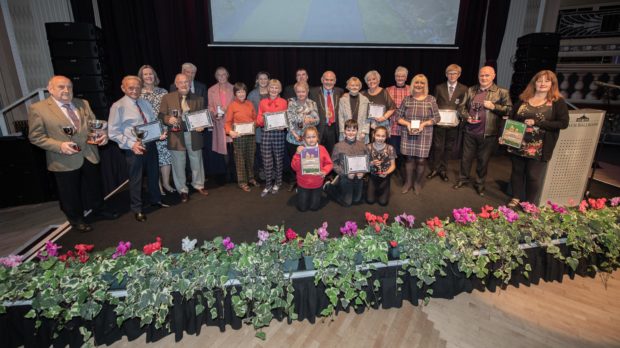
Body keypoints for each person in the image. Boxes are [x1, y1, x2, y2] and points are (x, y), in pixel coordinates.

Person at [28, 75, 117, 232]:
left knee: (95, 186)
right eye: (61, 87)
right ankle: (76, 219)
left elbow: (92, 125)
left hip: (89, 153)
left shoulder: (82, 103)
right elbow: (35, 137)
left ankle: (99, 210)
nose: (66, 90)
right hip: (63, 158)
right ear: (50, 89)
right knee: (70, 192)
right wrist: (60, 145)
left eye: (69, 87)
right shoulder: (38, 109)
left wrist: (102, 136)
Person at [503, 70, 569, 207]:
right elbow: (511, 118)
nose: (542, 83)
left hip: (539, 147)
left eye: (546, 81)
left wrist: (538, 123)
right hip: (517, 142)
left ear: (552, 84)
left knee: (533, 176)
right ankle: (515, 197)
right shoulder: (523, 99)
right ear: (534, 83)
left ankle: (529, 203)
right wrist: (504, 136)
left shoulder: (557, 102)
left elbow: (563, 123)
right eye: (539, 80)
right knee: (517, 171)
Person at [108, 76, 169, 222]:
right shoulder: (118, 106)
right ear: (123, 88)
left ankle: (156, 200)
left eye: (137, 87)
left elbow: (152, 122)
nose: (135, 90)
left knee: (154, 174)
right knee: (136, 179)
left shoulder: (145, 102)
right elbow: (113, 132)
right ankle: (137, 209)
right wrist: (131, 144)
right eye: (131, 88)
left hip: (150, 144)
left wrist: (159, 133)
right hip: (134, 147)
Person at [453, 66, 513, 197]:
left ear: (493, 76)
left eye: (487, 75)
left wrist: (494, 106)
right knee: (465, 158)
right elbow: (461, 107)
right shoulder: (471, 90)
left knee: (483, 160)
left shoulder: (501, 92)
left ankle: (479, 184)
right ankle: (463, 179)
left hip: (488, 133)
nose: (484, 78)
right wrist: (467, 117)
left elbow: (509, 110)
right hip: (469, 130)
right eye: (481, 75)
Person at [159, 73, 208, 203]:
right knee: (178, 164)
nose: (184, 84)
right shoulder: (167, 98)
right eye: (180, 82)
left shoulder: (198, 99)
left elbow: (203, 117)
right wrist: (168, 119)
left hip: (194, 135)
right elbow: (161, 115)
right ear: (176, 84)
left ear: (190, 83)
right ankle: (182, 190)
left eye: (186, 82)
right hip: (176, 136)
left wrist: (202, 125)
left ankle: (199, 184)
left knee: (196, 161)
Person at [396, 74, 441, 195]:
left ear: (425, 85)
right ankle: (408, 182)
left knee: (421, 160)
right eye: (416, 82)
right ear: (412, 84)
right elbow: (398, 117)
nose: (419, 85)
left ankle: (417, 183)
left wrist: (424, 124)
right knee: (409, 159)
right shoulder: (407, 99)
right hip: (408, 133)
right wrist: (408, 124)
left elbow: (437, 118)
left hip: (424, 134)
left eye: (422, 83)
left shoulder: (431, 99)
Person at [428, 64, 468, 182]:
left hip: (453, 123)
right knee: (438, 146)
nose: (452, 75)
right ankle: (435, 168)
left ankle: (443, 169)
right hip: (440, 123)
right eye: (450, 73)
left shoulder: (464, 89)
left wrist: (462, 117)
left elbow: (464, 106)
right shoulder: (439, 87)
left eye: (455, 73)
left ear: (459, 75)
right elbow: (433, 104)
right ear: (446, 74)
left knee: (448, 147)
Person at [138, 64, 175, 195]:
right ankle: (157, 185)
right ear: (141, 77)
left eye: (150, 74)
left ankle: (166, 183)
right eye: (145, 74)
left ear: (155, 75)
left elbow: (169, 110)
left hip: (163, 130)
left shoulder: (163, 91)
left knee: (166, 157)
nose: (149, 76)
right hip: (148, 131)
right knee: (153, 160)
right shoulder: (138, 93)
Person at [324, 119, 367, 207]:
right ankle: (329, 187)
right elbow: (334, 163)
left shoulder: (362, 145)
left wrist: (363, 172)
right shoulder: (338, 146)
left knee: (357, 199)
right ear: (344, 131)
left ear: (357, 131)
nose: (351, 133)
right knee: (347, 203)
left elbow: (367, 162)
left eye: (353, 130)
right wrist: (345, 173)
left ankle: (343, 188)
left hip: (358, 177)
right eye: (348, 130)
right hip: (345, 177)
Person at [286, 81, 319, 191]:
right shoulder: (291, 103)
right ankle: (293, 181)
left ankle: (305, 181)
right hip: (293, 138)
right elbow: (289, 120)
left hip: (308, 139)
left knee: (307, 161)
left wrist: (311, 121)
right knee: (294, 161)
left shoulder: (312, 103)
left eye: (303, 91)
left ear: (307, 91)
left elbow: (317, 120)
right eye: (298, 91)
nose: (301, 94)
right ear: (295, 92)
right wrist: (295, 134)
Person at [256, 79, 288, 197]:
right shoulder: (262, 102)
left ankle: (278, 183)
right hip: (266, 133)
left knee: (279, 159)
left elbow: (286, 119)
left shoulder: (284, 102)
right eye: (272, 87)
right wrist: (263, 119)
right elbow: (258, 119)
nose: (274, 90)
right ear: (268, 89)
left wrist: (283, 126)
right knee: (267, 160)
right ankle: (268, 184)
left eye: (276, 88)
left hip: (278, 134)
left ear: (279, 89)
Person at [225, 82, 258, 192]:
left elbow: (255, 119)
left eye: (243, 91)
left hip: (250, 135)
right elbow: (227, 122)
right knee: (240, 160)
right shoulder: (232, 105)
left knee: (250, 158)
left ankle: (251, 178)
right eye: (238, 92)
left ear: (246, 92)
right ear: (235, 93)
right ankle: (242, 182)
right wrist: (230, 131)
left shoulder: (250, 103)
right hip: (238, 137)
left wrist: (256, 124)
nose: (241, 93)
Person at [291, 127, 333, 212]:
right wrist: (298, 154)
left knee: (314, 208)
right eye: (308, 137)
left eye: (313, 137)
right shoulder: (301, 149)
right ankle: (299, 190)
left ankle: (320, 190)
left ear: (317, 138)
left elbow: (330, 164)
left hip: (317, 183)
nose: (311, 139)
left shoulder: (322, 149)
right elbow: (294, 167)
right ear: (304, 139)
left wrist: (324, 171)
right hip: (303, 183)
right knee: (302, 208)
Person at [206, 67, 235, 184]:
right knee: (224, 149)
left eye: (224, 74)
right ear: (216, 76)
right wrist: (214, 114)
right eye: (219, 75)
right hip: (219, 123)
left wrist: (229, 109)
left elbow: (238, 102)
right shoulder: (211, 90)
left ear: (227, 75)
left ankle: (235, 173)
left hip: (232, 122)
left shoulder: (234, 88)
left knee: (233, 148)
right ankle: (227, 172)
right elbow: (210, 106)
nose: (221, 77)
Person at [386, 66, 411, 182]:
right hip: (393, 126)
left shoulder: (411, 90)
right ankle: (393, 169)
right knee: (393, 149)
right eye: (398, 76)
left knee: (404, 151)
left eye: (402, 76)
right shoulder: (388, 90)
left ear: (406, 77)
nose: (400, 78)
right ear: (395, 77)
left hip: (407, 127)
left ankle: (401, 170)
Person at [309, 71, 344, 154]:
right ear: (322, 80)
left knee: (332, 152)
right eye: (326, 80)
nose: (329, 82)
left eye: (331, 80)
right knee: (316, 152)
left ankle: (330, 167)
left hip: (333, 128)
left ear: (335, 81)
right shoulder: (313, 92)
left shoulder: (340, 91)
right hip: (318, 127)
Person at [247, 71, 270, 181]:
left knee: (271, 151)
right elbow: (248, 112)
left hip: (272, 128)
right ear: (257, 80)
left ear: (268, 80)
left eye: (265, 78)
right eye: (261, 78)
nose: (263, 81)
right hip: (258, 128)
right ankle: (262, 172)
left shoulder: (273, 92)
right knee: (260, 151)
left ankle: (271, 172)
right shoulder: (252, 94)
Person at [366, 126, 396, 206]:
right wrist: (371, 163)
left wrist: (387, 172)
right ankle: (372, 188)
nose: (380, 138)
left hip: (385, 177)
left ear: (386, 137)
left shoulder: (390, 148)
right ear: (373, 135)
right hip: (372, 177)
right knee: (370, 201)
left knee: (383, 203)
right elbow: (364, 164)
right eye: (378, 135)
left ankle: (382, 189)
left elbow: (393, 166)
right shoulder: (368, 147)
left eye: (383, 136)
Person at [362, 70, 396, 139]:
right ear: (366, 82)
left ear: (378, 80)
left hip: (381, 125)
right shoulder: (362, 93)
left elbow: (392, 108)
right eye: (369, 80)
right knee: (367, 147)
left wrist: (384, 117)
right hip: (366, 127)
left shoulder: (384, 92)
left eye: (374, 79)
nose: (371, 81)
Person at [338, 77, 370, 143]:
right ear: (348, 86)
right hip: (346, 132)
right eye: (352, 85)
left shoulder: (365, 100)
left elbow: (368, 117)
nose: (354, 87)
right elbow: (340, 116)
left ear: (360, 87)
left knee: (360, 152)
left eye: (357, 85)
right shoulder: (342, 100)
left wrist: (364, 132)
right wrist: (343, 131)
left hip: (361, 132)